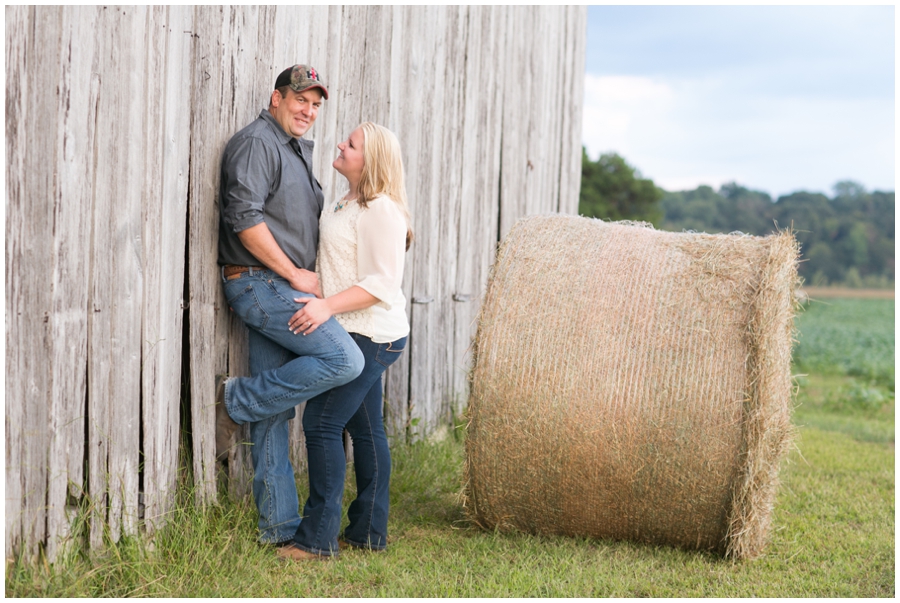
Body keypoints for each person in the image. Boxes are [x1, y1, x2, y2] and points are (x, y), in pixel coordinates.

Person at [216, 65, 365, 547]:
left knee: (274, 412)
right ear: (277, 98)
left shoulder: (293, 149)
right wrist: (295, 273)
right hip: (262, 284)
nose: (309, 110)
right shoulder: (258, 142)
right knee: (345, 359)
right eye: (301, 100)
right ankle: (238, 400)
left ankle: (277, 528)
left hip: (277, 285)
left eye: (317, 104)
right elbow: (244, 218)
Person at [275, 122, 412, 561]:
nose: (339, 144)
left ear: (369, 161)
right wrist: (321, 284)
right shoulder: (345, 201)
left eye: (350, 144)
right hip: (352, 327)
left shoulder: (381, 210)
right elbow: (344, 261)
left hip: (373, 333)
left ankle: (316, 540)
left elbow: (381, 284)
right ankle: (369, 531)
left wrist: (325, 305)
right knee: (367, 429)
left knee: (321, 422)